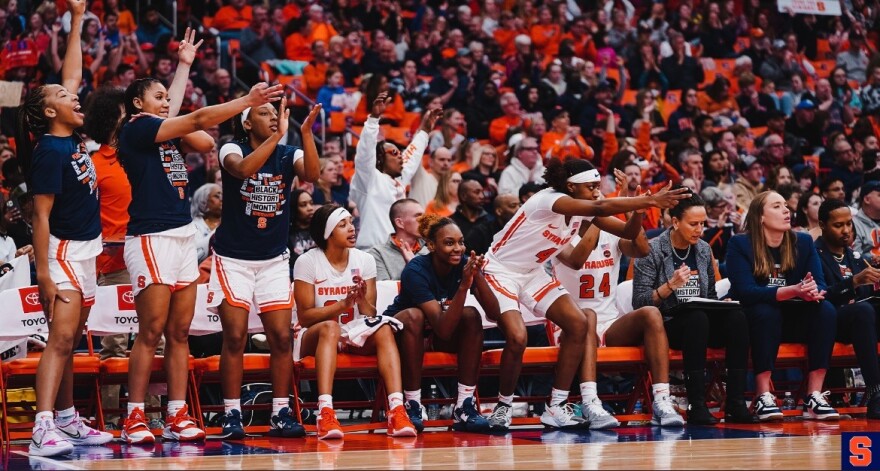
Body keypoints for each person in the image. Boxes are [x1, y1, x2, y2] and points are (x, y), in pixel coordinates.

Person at [117, 69, 285, 443]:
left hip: (181, 235)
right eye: (157, 96)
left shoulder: (162, 129)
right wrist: (246, 102)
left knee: (179, 333)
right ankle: (134, 416)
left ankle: (176, 414)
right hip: (151, 236)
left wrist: (185, 65)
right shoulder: (135, 128)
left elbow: (200, 140)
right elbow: (195, 121)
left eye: (166, 96)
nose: (165, 101)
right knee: (151, 331)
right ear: (137, 104)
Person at [481, 158, 688, 431]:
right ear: (570, 187)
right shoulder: (548, 200)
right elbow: (599, 207)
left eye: (597, 186)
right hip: (501, 269)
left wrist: (637, 205)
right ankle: (503, 407)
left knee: (579, 322)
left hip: (532, 273)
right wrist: (645, 202)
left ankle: (555, 406)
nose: (596, 191)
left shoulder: (584, 211)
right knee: (518, 336)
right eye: (591, 186)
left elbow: (628, 232)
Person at [13, 0, 113, 456]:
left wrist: (76, 18)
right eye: (61, 95)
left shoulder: (68, 136)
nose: (72, 95)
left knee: (71, 341)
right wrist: (46, 274)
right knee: (59, 340)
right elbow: (41, 217)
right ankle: (42, 427)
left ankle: (69, 421)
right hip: (63, 253)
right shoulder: (49, 152)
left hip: (87, 250)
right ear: (48, 112)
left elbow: (72, 75)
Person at [209, 101, 321, 439]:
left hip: (273, 259)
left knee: (282, 338)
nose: (274, 118)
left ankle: (280, 412)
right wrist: (279, 138)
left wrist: (304, 134)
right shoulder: (232, 147)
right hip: (233, 259)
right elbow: (242, 170)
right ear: (246, 123)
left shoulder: (288, 153)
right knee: (235, 337)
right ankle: (231, 414)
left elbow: (312, 175)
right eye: (265, 114)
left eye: (276, 114)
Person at [554, 183, 685, 427]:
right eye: (592, 196)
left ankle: (661, 400)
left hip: (609, 325)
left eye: (598, 194)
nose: (596, 197)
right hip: (569, 326)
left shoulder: (610, 233)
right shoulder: (557, 232)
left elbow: (643, 249)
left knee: (651, 313)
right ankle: (591, 402)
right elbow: (577, 259)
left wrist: (636, 211)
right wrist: (599, 215)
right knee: (588, 315)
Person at [293, 204, 417, 439]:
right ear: (327, 233)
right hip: (314, 336)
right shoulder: (307, 262)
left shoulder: (365, 259)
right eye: (343, 225)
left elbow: (369, 314)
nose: (351, 228)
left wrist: (360, 300)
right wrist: (342, 305)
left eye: (351, 222)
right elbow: (305, 316)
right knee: (330, 327)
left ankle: (397, 409)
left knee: (383, 328)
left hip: (352, 333)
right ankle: (326, 412)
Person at [633, 190, 754, 424]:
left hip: (699, 321)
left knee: (737, 317)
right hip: (666, 325)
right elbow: (639, 302)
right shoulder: (652, 250)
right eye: (693, 224)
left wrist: (721, 305)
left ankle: (736, 402)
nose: (699, 230)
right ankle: (696, 405)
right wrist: (670, 286)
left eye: (702, 224)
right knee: (697, 318)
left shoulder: (703, 249)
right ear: (676, 222)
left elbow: (707, 296)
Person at [726, 191, 840, 421]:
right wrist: (791, 291)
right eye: (777, 206)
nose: (787, 210)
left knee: (825, 309)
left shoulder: (804, 241)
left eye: (786, 205)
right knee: (766, 311)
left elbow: (819, 282)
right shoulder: (740, 243)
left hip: (793, 318)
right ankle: (762, 395)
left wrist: (813, 292)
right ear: (760, 217)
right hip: (754, 322)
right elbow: (745, 292)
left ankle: (814, 395)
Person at [386, 215, 498, 433]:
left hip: (434, 336)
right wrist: (465, 287)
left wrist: (477, 276)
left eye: (461, 242)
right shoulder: (416, 270)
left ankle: (464, 406)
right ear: (431, 246)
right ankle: (412, 404)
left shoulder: (463, 264)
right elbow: (444, 329)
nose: (458, 248)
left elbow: (494, 314)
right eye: (449, 243)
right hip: (402, 338)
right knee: (414, 316)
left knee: (471, 315)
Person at [814, 198, 880, 418]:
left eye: (849, 224)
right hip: (829, 322)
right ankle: (875, 391)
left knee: (868, 309)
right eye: (838, 225)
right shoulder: (814, 255)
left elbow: (865, 296)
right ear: (822, 224)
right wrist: (853, 283)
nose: (846, 230)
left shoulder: (855, 257)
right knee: (863, 311)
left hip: (861, 323)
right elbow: (821, 295)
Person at [350, 93, 441, 249]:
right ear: (379, 159)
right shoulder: (369, 179)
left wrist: (425, 131)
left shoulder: (398, 180)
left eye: (400, 152)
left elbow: (412, 155)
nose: (400, 156)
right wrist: (373, 120)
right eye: (394, 153)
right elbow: (364, 154)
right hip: (373, 251)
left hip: (400, 250)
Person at [366, 199, 429, 281]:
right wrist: (412, 268)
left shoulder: (430, 251)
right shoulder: (378, 253)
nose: (425, 220)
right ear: (400, 223)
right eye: (418, 216)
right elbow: (384, 289)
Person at [190, 183, 222, 264]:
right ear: (203, 201)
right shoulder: (194, 226)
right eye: (217, 196)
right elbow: (195, 256)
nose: (222, 199)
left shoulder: (230, 224)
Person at [288, 189, 317, 269]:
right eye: (303, 205)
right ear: (294, 208)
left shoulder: (319, 229)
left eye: (311, 203)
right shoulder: (286, 233)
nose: (310, 208)